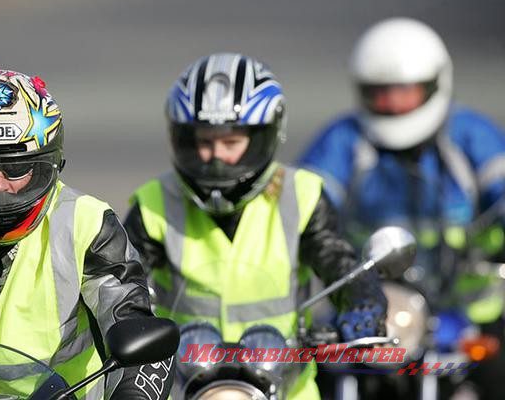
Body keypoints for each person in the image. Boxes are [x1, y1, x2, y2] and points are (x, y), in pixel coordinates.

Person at [123, 53, 387, 399]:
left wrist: (362, 301)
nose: (215, 156)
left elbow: (338, 261)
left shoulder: (301, 195)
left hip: (288, 388)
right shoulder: (155, 200)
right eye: (204, 142)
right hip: (186, 386)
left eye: (231, 142)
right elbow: (122, 281)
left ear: (265, 136)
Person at [0, 70, 174, 400]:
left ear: (48, 161)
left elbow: (135, 326)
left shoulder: (88, 223)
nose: (0, 187)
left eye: (17, 168)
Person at [296, 17, 505, 398]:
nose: (392, 103)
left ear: (434, 84)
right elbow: (305, 198)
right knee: (306, 372)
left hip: (463, 302)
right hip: (366, 302)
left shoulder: (471, 135)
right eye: (381, 92)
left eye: (404, 91)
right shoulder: (344, 141)